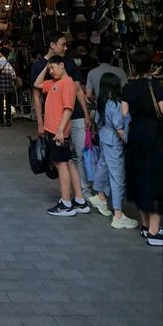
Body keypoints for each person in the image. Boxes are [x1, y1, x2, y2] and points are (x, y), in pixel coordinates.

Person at [30, 31, 96, 210]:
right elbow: (36, 93)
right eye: (62, 44)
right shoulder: (48, 73)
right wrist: (40, 123)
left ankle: (70, 199)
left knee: (70, 160)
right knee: (69, 160)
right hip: (57, 124)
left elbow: (77, 91)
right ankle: (80, 198)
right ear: (52, 45)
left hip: (65, 123)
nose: (65, 47)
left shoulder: (66, 72)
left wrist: (85, 114)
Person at [121, 50, 163, 246]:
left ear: (133, 67)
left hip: (135, 133)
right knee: (155, 178)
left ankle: (145, 225)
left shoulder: (128, 88)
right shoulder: (156, 86)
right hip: (153, 134)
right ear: (151, 67)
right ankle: (155, 231)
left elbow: (124, 112)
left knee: (139, 175)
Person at [92, 72, 138, 229]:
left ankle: (100, 196)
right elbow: (119, 128)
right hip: (114, 140)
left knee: (103, 167)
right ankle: (118, 215)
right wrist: (128, 140)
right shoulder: (115, 104)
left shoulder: (102, 101)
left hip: (104, 136)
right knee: (117, 176)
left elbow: (97, 120)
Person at [0, 48, 17, 127]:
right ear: (7, 55)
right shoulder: (9, 64)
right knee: (8, 104)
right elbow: (14, 76)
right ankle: (8, 120)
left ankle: (1, 120)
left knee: (0, 103)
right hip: (8, 87)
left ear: (0, 54)